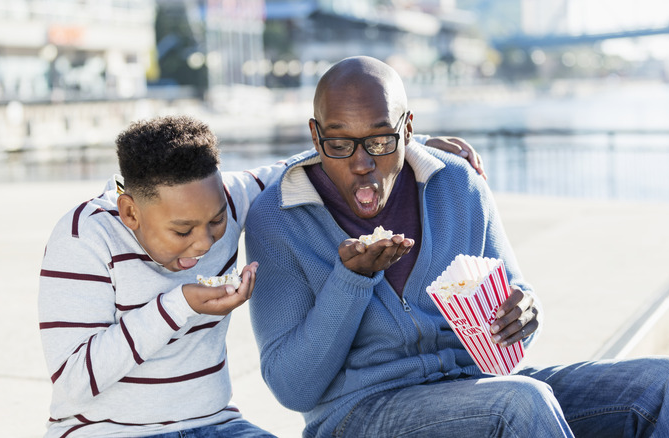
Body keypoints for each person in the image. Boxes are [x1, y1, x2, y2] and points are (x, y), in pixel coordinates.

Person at [244, 56, 669, 438]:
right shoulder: (279, 218)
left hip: (478, 390)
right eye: (340, 143)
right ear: (315, 135)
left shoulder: (456, 186)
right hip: (360, 414)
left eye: (380, 140)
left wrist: (526, 312)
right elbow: (293, 389)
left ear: (408, 129)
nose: (361, 163)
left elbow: (514, 301)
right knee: (519, 404)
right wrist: (352, 280)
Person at [37, 115, 483, 437]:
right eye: (181, 231)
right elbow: (73, 378)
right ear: (130, 211)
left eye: (214, 223)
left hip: (215, 425)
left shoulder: (232, 198)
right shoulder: (83, 237)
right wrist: (178, 305)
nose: (204, 242)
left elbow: (310, 162)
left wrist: (411, 142)